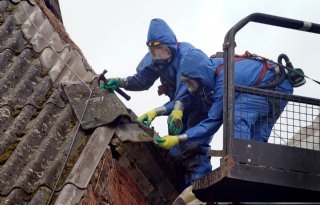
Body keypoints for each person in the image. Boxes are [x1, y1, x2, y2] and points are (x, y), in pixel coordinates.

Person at [104, 18, 212, 191]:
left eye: (161, 50)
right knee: (176, 149)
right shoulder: (156, 60)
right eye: (154, 52)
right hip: (176, 107)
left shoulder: (188, 56)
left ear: (171, 45)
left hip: (199, 104)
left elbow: (185, 92)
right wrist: (121, 82)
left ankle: (199, 191)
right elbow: (142, 80)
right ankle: (183, 189)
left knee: (194, 145)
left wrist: (166, 111)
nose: (159, 56)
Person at [156, 50, 294, 153]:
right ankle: (253, 165)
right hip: (278, 87)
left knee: (238, 114)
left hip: (275, 87)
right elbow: (189, 98)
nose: (189, 87)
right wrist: (157, 111)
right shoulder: (211, 69)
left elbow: (212, 122)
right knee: (256, 137)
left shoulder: (223, 81)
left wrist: (179, 138)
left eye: (190, 82)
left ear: (199, 75)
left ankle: (241, 158)